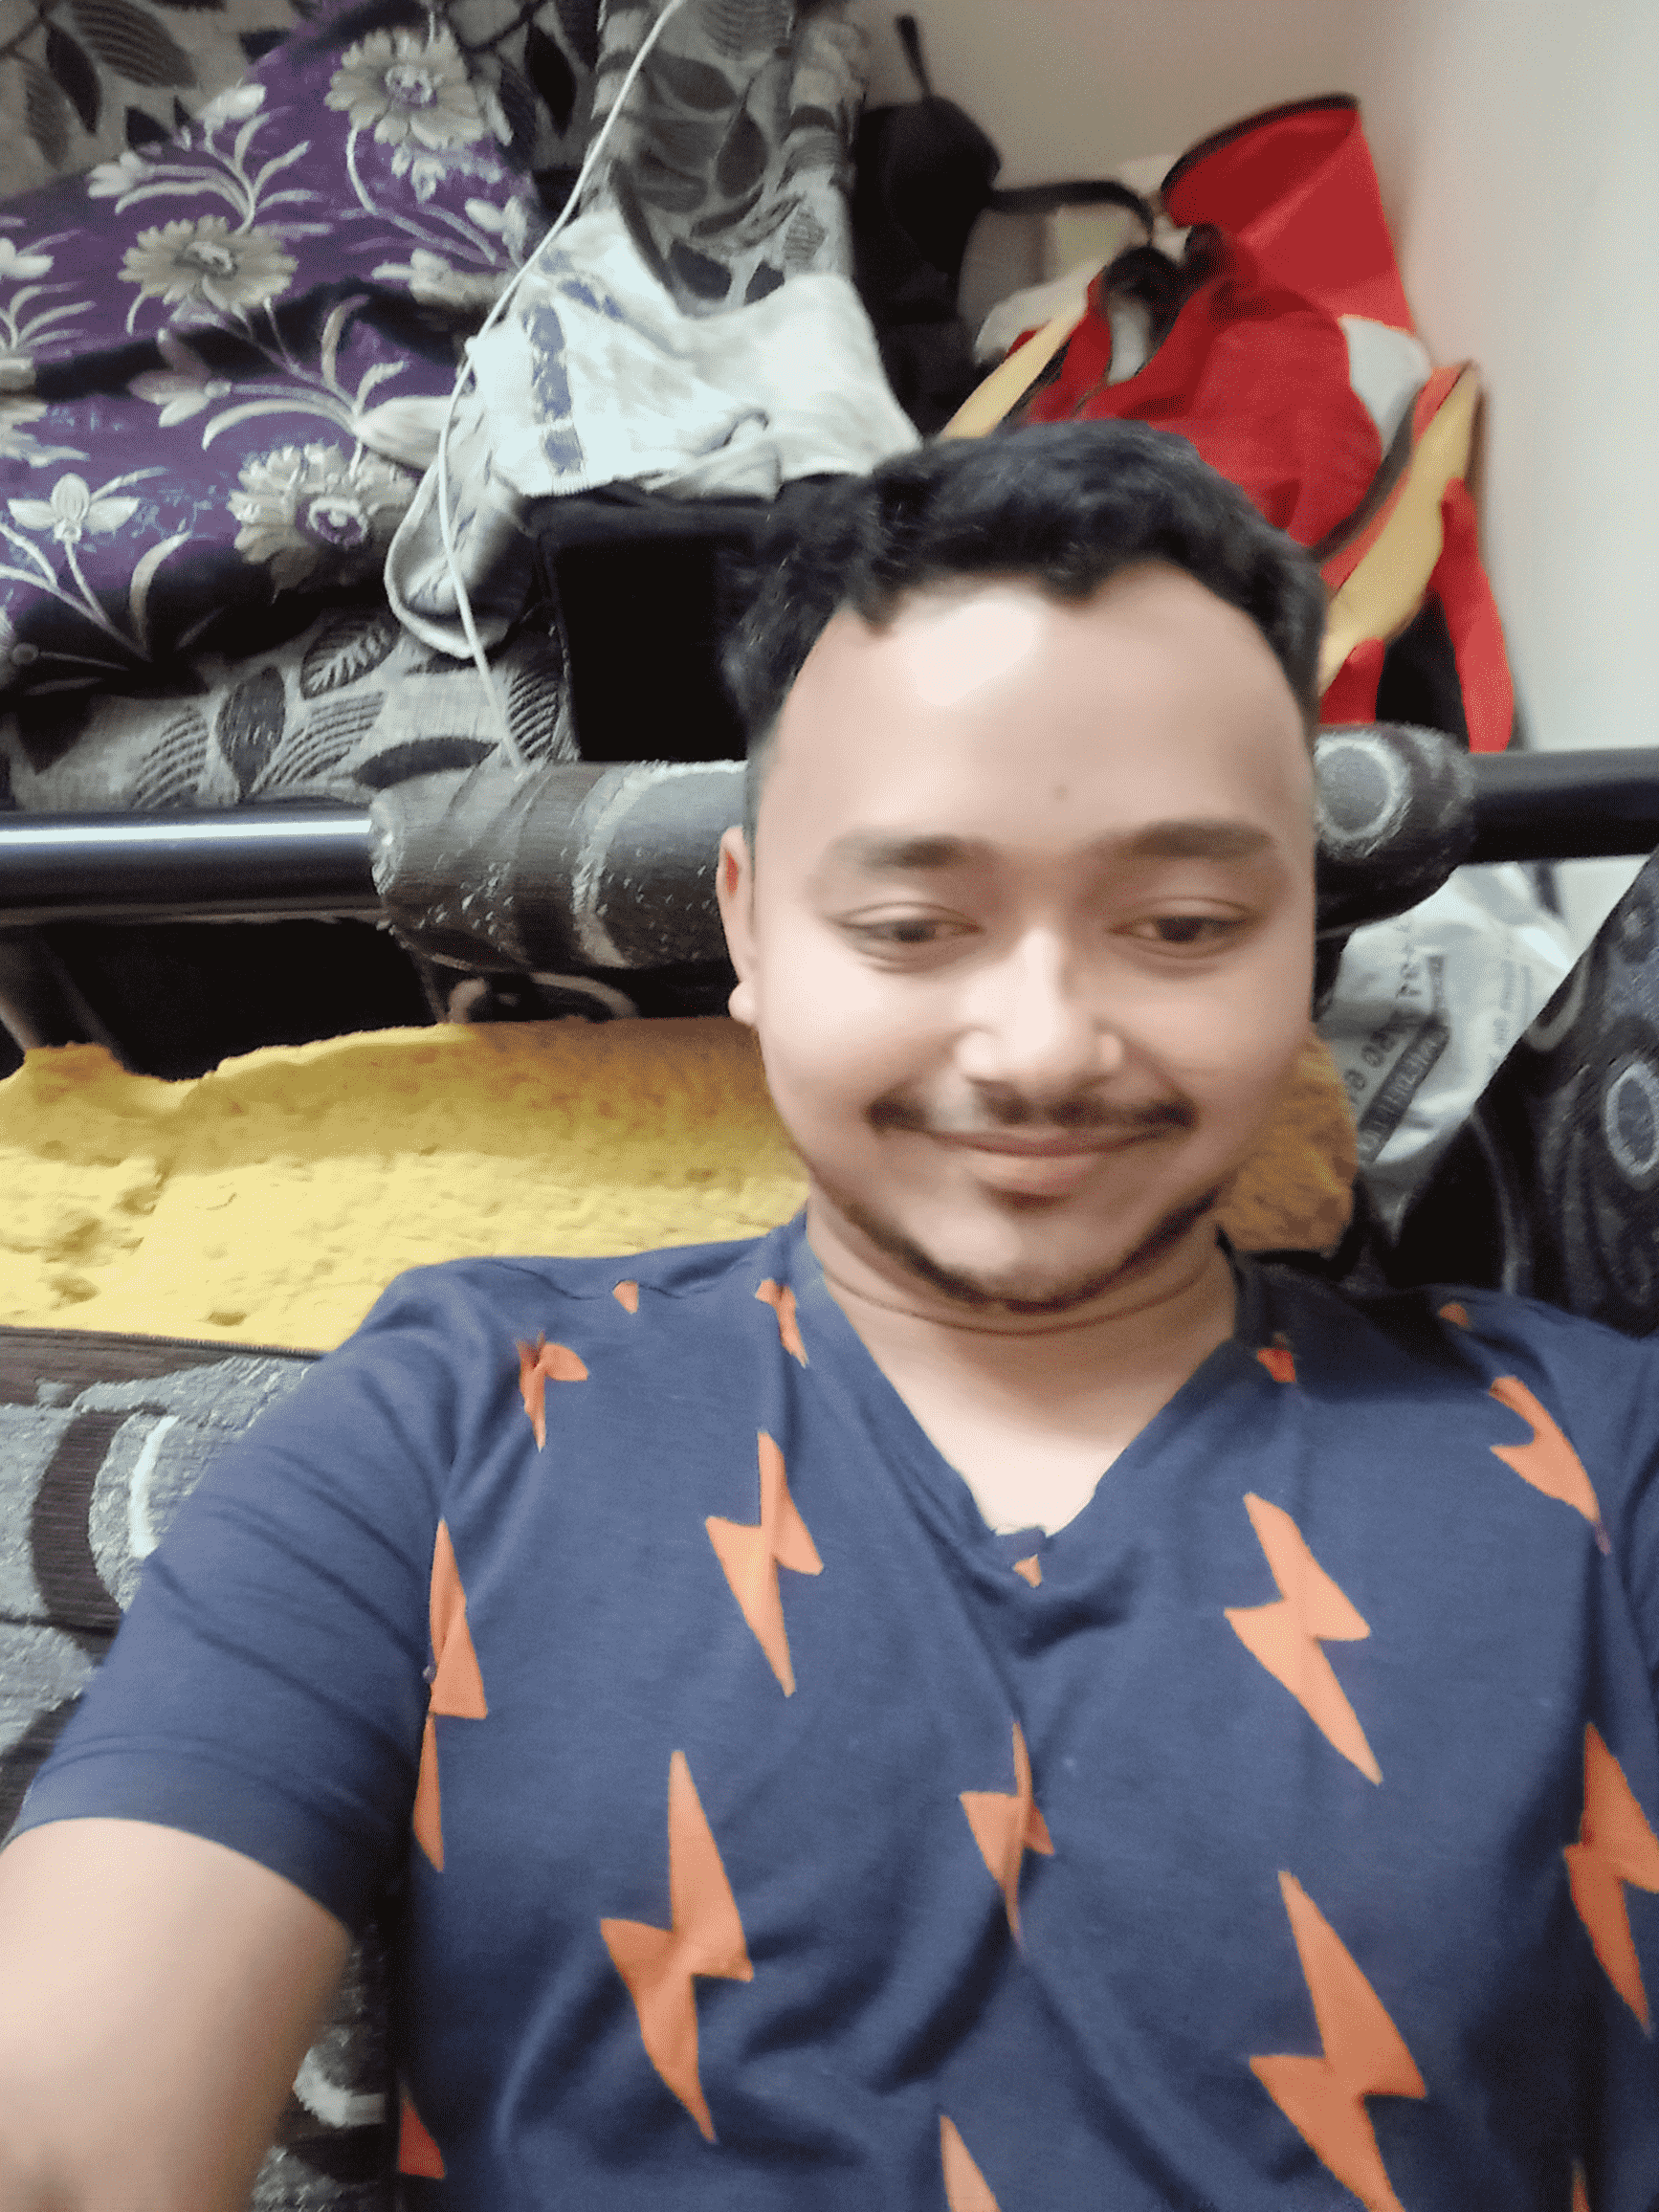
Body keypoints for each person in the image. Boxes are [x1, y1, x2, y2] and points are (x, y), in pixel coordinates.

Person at [1, 422, 1655, 2212]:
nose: (1041, 1049)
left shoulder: (1596, 1464)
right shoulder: (446, 1429)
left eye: (1182, 924)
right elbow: (68, 2135)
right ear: (751, 929)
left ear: (1301, 934)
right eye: (912, 923)